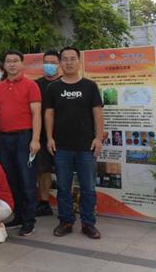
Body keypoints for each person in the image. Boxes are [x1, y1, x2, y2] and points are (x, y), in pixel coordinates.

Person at [45, 46, 104, 240]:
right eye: (65, 59)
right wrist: (50, 138)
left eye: (72, 59)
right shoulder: (53, 88)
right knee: (63, 188)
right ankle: (66, 221)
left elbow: (97, 112)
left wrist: (98, 138)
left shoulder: (90, 86)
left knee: (88, 188)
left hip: (86, 147)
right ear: (60, 63)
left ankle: (88, 223)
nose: (69, 62)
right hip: (61, 147)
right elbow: (49, 114)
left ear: (79, 62)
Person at [0, 49, 41, 236]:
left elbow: (36, 114)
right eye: (8, 61)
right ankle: (18, 216)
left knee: (27, 180)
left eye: (15, 61)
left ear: (22, 64)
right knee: (11, 180)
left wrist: (35, 139)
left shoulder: (31, 85)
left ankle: (29, 221)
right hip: (5, 139)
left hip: (24, 138)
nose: (11, 64)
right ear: (4, 65)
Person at [33, 50, 61, 217]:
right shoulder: (35, 84)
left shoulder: (65, 83)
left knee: (64, 171)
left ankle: (67, 204)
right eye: (46, 62)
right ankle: (44, 203)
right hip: (41, 135)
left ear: (59, 64)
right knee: (43, 170)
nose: (49, 65)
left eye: (53, 62)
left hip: (63, 135)